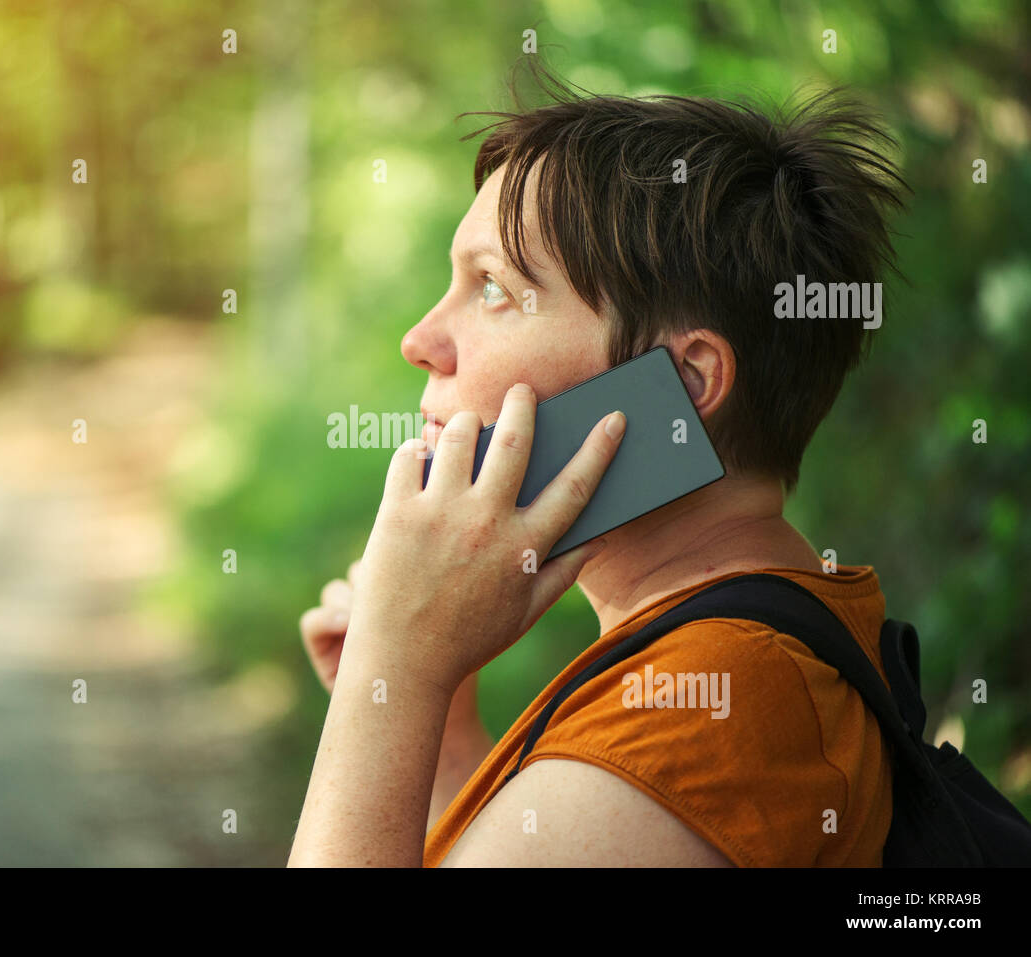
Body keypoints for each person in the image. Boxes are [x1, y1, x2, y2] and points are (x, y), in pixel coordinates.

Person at [290, 66, 908, 867]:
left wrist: (395, 671)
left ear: (685, 385)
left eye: (495, 289)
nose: (420, 340)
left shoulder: (719, 703)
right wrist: (430, 722)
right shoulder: (717, 664)